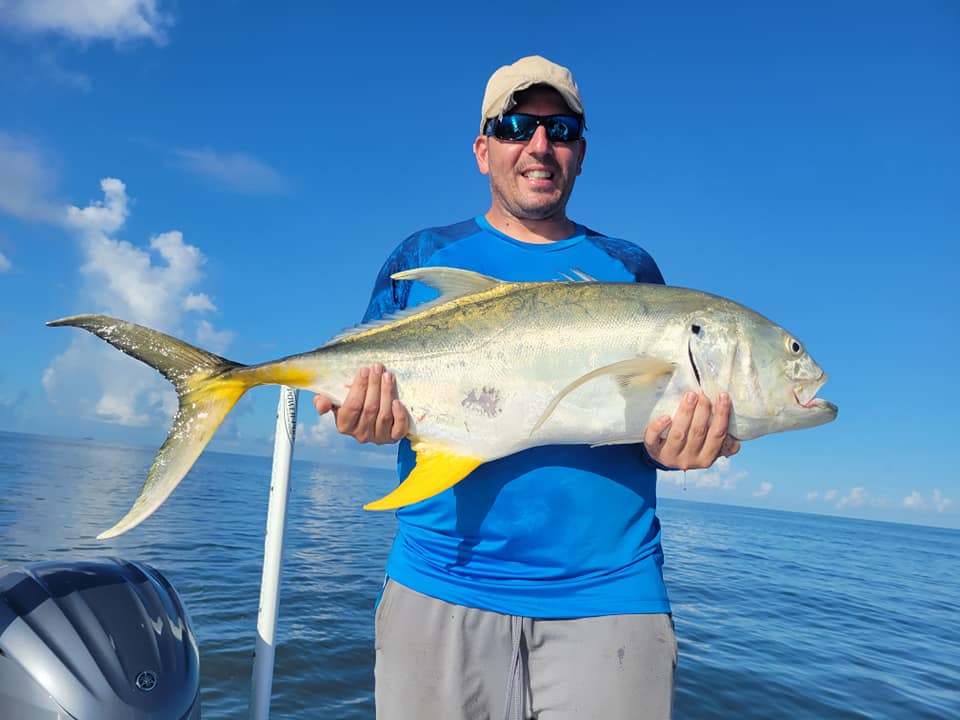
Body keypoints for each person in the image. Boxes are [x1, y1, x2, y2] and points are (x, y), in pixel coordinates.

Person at [314, 55, 740, 720]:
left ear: (581, 152)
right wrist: (360, 416)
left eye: (561, 129)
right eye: (516, 126)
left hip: (609, 601)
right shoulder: (422, 256)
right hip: (439, 587)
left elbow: (641, 427)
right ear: (483, 150)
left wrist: (682, 445)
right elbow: (363, 395)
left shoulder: (629, 269)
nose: (540, 146)